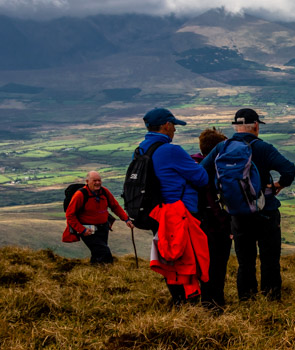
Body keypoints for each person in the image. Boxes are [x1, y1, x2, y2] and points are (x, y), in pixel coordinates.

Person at [201, 108, 295, 302]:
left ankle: (247, 300)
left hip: (237, 213)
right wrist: (279, 185)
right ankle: (271, 299)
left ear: (235, 126)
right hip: (266, 211)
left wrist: (222, 191)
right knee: (269, 259)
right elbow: (289, 169)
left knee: (245, 262)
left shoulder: (222, 148)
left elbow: (201, 173)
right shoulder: (263, 148)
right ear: (255, 125)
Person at [136, 107, 209, 305]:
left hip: (157, 214)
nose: (175, 131)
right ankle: (189, 303)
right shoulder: (171, 150)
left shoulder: (142, 149)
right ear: (166, 126)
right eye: (174, 126)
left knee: (169, 259)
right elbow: (202, 179)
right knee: (187, 260)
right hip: (180, 214)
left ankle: (177, 300)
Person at [192, 128, 232, 311]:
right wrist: (228, 225)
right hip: (215, 224)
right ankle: (214, 303)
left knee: (204, 264)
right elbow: (213, 201)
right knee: (218, 264)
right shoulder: (214, 167)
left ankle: (206, 300)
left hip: (196, 222)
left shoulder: (192, 164)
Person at [63, 171, 133, 264]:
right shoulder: (80, 195)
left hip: (103, 228)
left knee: (97, 252)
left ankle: (95, 271)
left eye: (99, 180)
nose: (97, 183)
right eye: (94, 181)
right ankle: (109, 271)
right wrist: (82, 230)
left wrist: (126, 219)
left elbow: (115, 206)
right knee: (104, 252)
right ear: (87, 181)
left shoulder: (104, 191)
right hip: (88, 230)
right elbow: (70, 215)